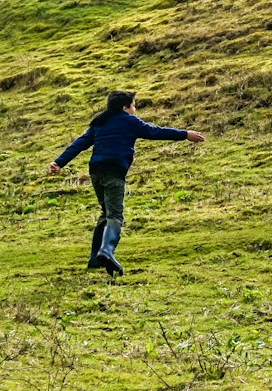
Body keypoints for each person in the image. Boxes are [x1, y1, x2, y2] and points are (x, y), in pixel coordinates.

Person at [46, 90, 204, 275]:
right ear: (125, 107)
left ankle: (94, 259)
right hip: (114, 171)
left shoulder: (99, 122)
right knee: (115, 216)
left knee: (106, 213)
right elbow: (155, 132)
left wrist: (59, 162)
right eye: (134, 105)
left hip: (96, 172)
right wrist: (185, 134)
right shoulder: (130, 121)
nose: (134, 109)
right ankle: (106, 251)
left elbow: (79, 143)